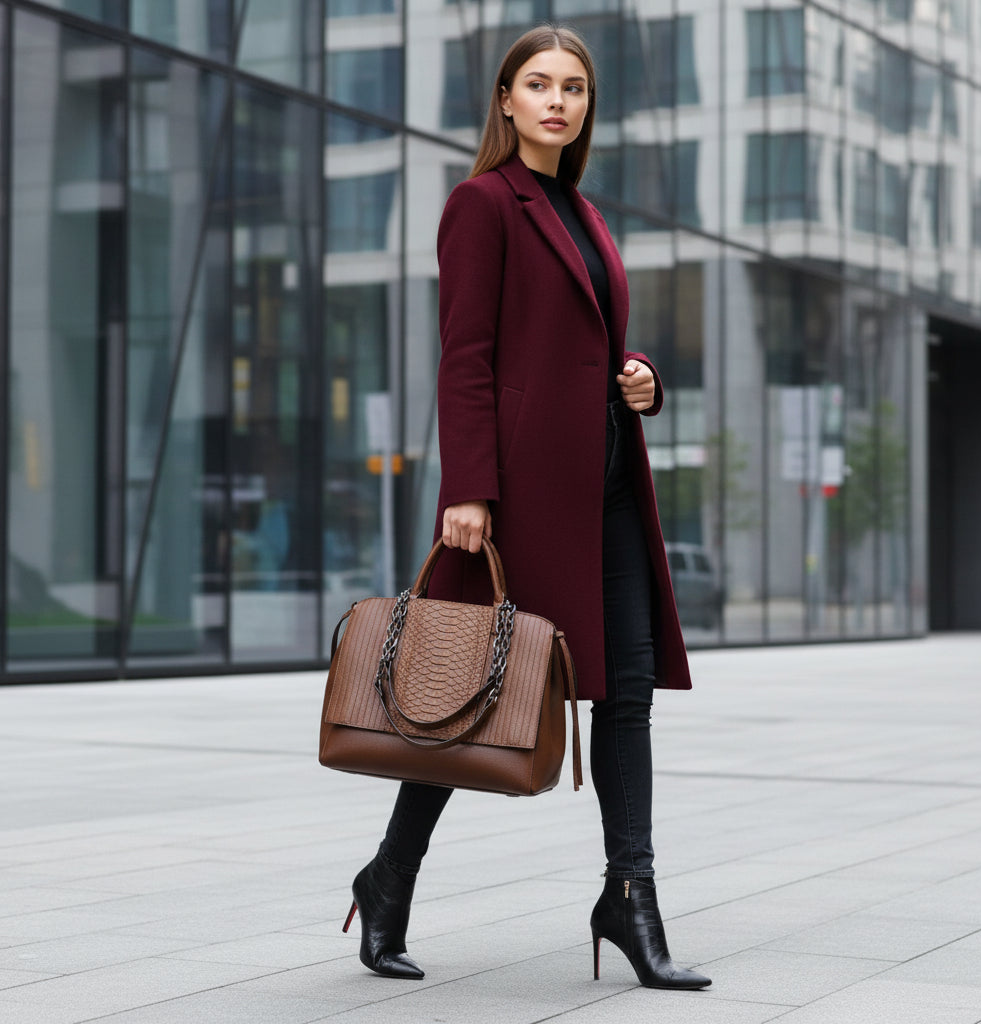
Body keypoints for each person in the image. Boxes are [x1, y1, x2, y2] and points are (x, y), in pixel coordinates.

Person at [343, 24, 711, 991]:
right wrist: (467, 487)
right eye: (539, 84)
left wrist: (642, 379)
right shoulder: (481, 204)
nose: (558, 101)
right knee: (461, 698)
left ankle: (629, 898)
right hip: (515, 498)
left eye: (575, 88)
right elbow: (466, 356)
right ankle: (390, 879)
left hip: (609, 488)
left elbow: (591, 345)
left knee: (625, 691)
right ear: (505, 100)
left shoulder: (582, 213)